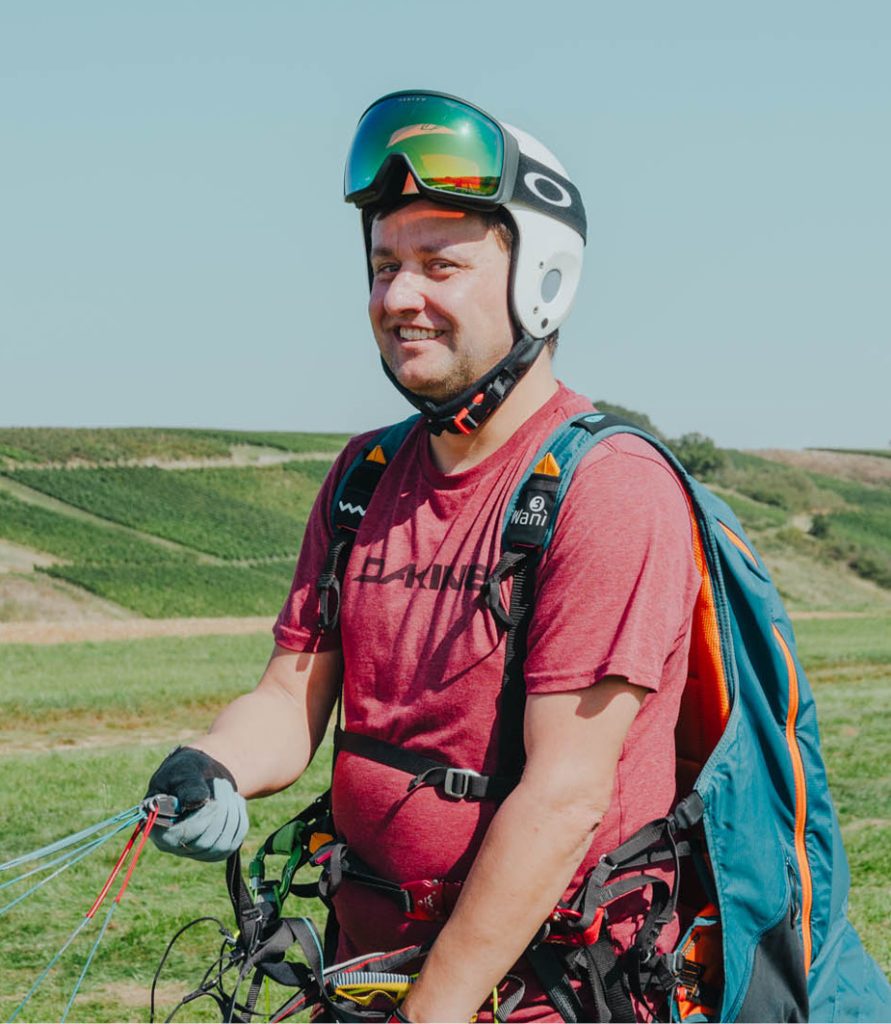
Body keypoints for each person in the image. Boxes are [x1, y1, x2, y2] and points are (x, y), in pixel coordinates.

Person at [146, 90, 700, 1022]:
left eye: (438, 266)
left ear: (541, 281)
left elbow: (564, 798)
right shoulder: (364, 475)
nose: (398, 298)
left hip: (537, 992)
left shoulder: (607, 488)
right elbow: (291, 698)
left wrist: (428, 1012)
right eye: (382, 266)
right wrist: (212, 763)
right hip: (363, 974)